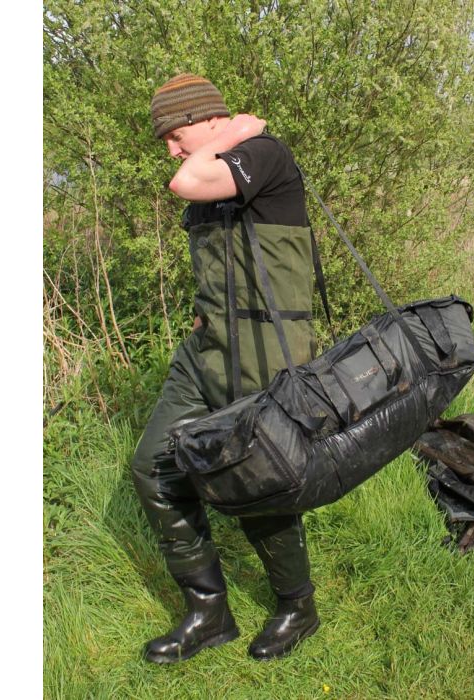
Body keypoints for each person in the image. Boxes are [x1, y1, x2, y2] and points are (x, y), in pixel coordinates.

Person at [131, 73, 320, 663]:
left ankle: (297, 606)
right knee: (153, 466)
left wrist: (232, 133)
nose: (171, 148)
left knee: (255, 480)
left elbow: (185, 180)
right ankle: (208, 613)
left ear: (205, 118)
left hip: (266, 353)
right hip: (207, 349)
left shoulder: (263, 154)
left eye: (175, 134)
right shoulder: (219, 161)